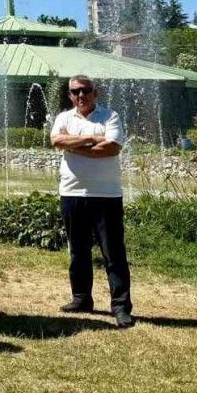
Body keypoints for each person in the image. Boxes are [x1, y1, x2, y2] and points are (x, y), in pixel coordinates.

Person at [49, 75, 134, 328]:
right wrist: (93, 139)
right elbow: (56, 141)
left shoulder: (110, 116)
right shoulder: (64, 118)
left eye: (85, 91)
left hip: (106, 195)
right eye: (75, 91)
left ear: (95, 93)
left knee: (113, 253)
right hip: (72, 193)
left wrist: (73, 145)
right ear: (69, 95)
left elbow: (112, 148)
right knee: (78, 251)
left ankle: (121, 307)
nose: (81, 96)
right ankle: (81, 298)